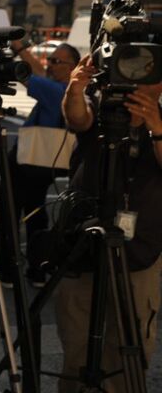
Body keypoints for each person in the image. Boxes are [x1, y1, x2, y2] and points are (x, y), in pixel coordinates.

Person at [58, 56, 162, 393]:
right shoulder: (104, 105)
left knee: (130, 348)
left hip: (139, 252)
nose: (137, 82)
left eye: (147, 73)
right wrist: (75, 88)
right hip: (84, 244)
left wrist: (156, 128)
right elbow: (78, 117)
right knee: (76, 345)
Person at [0, 27, 81, 286]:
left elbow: (27, 75)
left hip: (27, 160)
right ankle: (37, 269)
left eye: (57, 62)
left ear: (73, 67)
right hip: (44, 162)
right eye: (51, 60)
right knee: (36, 214)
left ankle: (8, 271)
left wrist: (16, 47)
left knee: (10, 213)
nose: (50, 65)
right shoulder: (67, 91)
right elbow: (38, 72)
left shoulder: (58, 90)